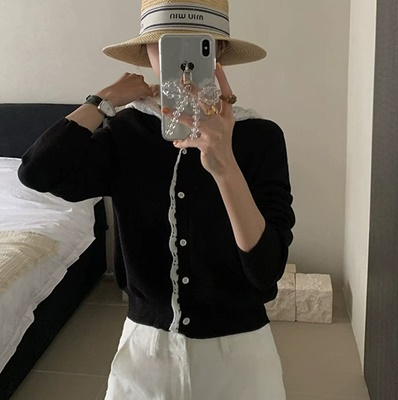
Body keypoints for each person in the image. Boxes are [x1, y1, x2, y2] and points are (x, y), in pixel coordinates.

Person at [18, 0, 295, 399]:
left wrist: (225, 166)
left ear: (217, 52)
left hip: (240, 355)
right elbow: (37, 172)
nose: (179, 61)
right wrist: (102, 100)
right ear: (146, 53)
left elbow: (266, 270)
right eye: (164, 44)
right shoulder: (125, 131)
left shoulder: (261, 137)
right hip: (144, 353)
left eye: (195, 44)